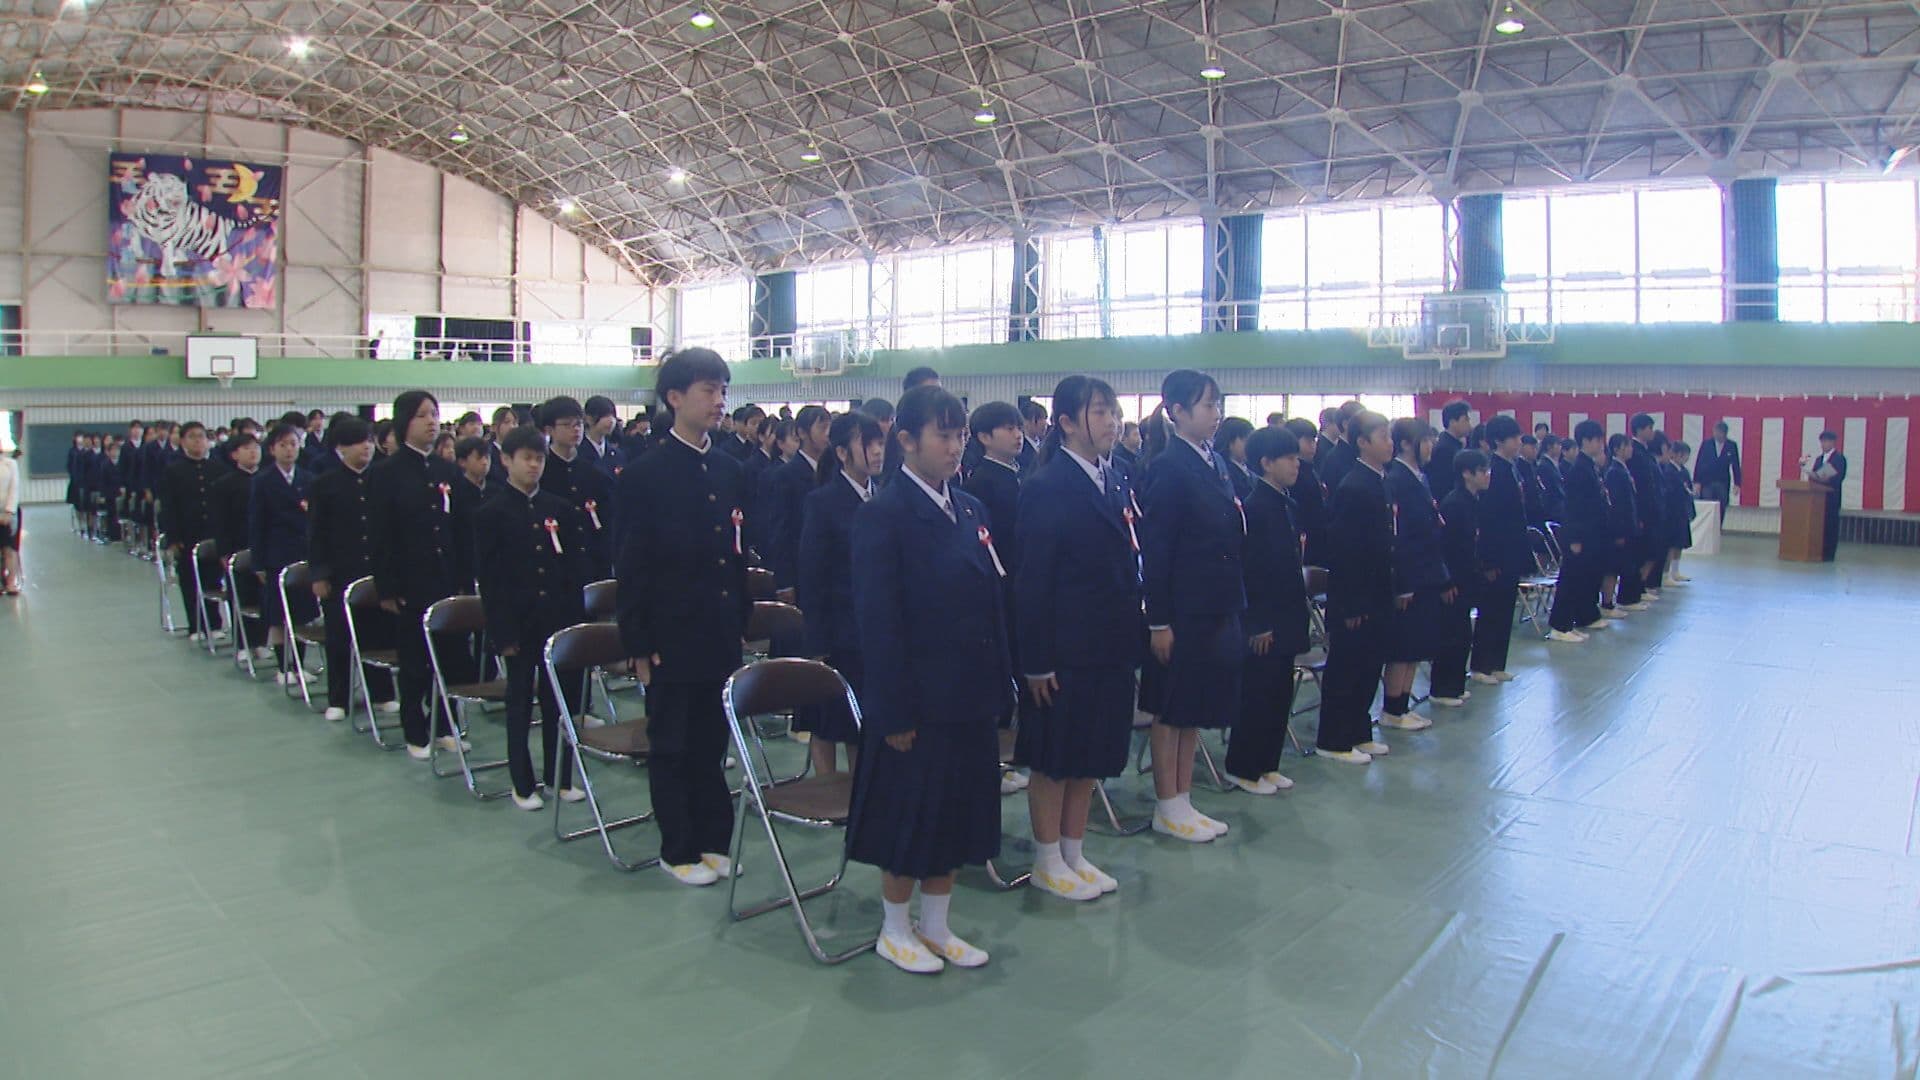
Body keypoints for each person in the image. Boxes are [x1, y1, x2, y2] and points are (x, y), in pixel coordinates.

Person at [849, 384, 1010, 972]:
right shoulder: (883, 516)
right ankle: (895, 927)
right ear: (907, 439)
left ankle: (937, 925)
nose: (954, 445)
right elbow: (879, 624)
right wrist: (892, 713)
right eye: (943, 434)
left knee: (957, 813)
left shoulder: (970, 509)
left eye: (961, 433)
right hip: (917, 700)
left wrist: (1001, 686)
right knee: (909, 816)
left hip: (969, 695)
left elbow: (993, 602)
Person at [615, 348, 749, 886]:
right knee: (672, 740)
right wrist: (638, 639)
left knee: (712, 739)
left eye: (722, 389)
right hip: (670, 631)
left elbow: (736, 550)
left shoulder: (730, 468)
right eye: (706, 390)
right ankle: (678, 846)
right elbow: (631, 563)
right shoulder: (644, 474)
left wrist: (740, 617)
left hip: (718, 629)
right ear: (673, 398)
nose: (719, 400)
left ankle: (714, 836)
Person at [1013, 375, 1142, 899]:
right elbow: (1032, 579)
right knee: (1056, 757)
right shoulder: (1046, 487)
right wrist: (1037, 661)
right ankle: (1046, 859)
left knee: (1090, 753)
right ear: (1066, 422)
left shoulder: (1116, 479)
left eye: (1113, 411)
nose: (1111, 421)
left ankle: (1074, 850)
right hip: (1065, 648)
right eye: (1099, 411)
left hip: (1109, 643)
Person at [1138, 369, 1243, 840]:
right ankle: (1167, 802)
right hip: (1180, 609)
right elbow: (1157, 551)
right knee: (1170, 709)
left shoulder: (1213, 461)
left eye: (1217, 405)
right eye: (1206, 405)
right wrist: (1159, 620)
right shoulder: (1167, 467)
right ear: (1177, 412)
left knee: (1193, 706)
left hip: (1213, 602)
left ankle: (1183, 798)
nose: (1215, 414)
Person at [474, 425, 592, 810]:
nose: (533, 465)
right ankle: (522, 782)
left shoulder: (559, 509)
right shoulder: (491, 513)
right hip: (518, 624)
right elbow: (491, 582)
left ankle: (560, 777)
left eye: (539, 458)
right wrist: (501, 631)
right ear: (505, 460)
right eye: (525, 458)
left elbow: (574, 570)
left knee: (561, 703)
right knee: (520, 703)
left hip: (557, 622)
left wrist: (576, 626)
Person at [368, 390, 467, 760]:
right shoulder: (386, 473)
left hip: (445, 579)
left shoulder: (446, 470)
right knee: (414, 661)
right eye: (423, 415)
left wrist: (462, 576)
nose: (432, 421)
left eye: (435, 413)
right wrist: (388, 586)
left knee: (450, 656)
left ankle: (445, 724)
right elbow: (380, 534)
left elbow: (456, 527)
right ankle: (415, 728)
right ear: (404, 422)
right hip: (410, 581)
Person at [797, 412, 885, 778]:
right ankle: (828, 787)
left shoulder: (885, 497)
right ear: (843, 453)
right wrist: (817, 641)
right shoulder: (824, 501)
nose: (879, 451)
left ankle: (861, 791)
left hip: (875, 628)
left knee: (863, 721)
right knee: (829, 717)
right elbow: (812, 575)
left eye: (881, 442)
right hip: (840, 629)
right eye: (868, 444)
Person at [1224, 424, 1310, 793]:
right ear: (1265, 463)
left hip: (1288, 612)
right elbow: (1251, 570)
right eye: (1288, 458)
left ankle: (1268, 763)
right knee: (1257, 694)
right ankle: (1244, 766)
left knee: (1279, 693)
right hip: (1264, 620)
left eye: (1296, 457)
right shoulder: (1254, 507)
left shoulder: (1285, 503)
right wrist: (1257, 623)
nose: (1297, 464)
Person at [1317, 410, 1395, 764]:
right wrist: (1350, 605)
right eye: (1381, 436)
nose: (1389, 443)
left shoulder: (1379, 480)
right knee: (1346, 670)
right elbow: (1346, 552)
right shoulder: (1354, 486)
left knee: (1368, 667)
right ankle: (1334, 740)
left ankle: (1359, 731)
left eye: (1390, 436)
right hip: (1354, 596)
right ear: (1362, 443)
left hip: (1377, 591)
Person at [306, 417, 396, 721]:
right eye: (359, 442)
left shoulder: (383, 479)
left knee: (379, 633)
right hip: (341, 571)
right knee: (339, 637)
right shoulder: (325, 484)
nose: (367, 447)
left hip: (377, 569)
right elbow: (317, 533)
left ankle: (382, 693)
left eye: (370, 441)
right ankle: (339, 698)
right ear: (341, 448)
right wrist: (319, 573)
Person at [1380, 418, 1452, 730]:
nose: (1431, 446)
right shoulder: (1397, 479)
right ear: (1407, 444)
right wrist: (1404, 585)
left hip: (1427, 571)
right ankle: (1392, 707)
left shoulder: (1419, 477)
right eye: (1426, 440)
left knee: (1417, 644)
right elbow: (1401, 537)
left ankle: (1403, 703)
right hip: (1411, 575)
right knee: (1403, 645)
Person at [250, 423, 315, 684]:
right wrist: (259, 562)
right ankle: (283, 667)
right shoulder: (263, 481)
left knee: (301, 613)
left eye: (293, 444)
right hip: (276, 553)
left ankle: (299, 665)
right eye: (283, 445)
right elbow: (256, 523)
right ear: (272, 449)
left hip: (304, 553)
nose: (289, 450)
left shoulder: (308, 479)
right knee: (278, 614)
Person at [1473, 416, 1534, 675]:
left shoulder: (1512, 467)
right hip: (1497, 554)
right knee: (1491, 611)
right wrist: (1489, 561)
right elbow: (1489, 520)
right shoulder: (1494, 471)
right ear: (1499, 441)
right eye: (1514, 438)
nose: (1519, 442)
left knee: (1506, 607)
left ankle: (1498, 664)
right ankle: (1482, 666)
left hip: (1512, 550)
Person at [160, 422, 228, 641]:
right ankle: (196, 625)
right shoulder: (173, 470)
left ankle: (215, 623)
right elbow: (168, 506)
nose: (198, 441)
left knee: (213, 579)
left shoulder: (218, 468)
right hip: (187, 534)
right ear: (183, 442)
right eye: (192, 437)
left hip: (213, 533)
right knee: (190, 581)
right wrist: (173, 538)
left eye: (201, 436)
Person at [1432, 451, 1489, 707]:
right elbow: (1445, 547)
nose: (1487, 475)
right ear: (1467, 473)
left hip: (1467, 576)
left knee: (1463, 632)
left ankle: (1455, 684)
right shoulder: (1454, 504)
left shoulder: (1473, 501)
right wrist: (1447, 582)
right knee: (1451, 634)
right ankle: (1443, 688)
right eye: (1482, 470)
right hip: (1453, 579)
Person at [538, 396, 617, 579]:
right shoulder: (542, 473)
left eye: (579, 424)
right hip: (554, 566)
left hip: (591, 564)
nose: (576, 429)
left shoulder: (594, 474)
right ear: (550, 430)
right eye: (567, 425)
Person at [1549, 420, 1611, 639]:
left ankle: (1585, 615)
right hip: (1579, 534)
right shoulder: (1579, 470)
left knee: (1587, 576)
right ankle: (1560, 625)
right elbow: (1573, 507)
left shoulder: (1590, 466)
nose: (1601, 444)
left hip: (1593, 532)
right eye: (1597, 440)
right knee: (1571, 578)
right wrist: (1574, 537)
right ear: (1586, 441)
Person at [763, 405, 831, 600]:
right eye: (821, 428)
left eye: (829, 427)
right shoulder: (786, 475)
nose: (827, 434)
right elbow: (780, 530)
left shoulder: (832, 471)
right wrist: (784, 582)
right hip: (801, 568)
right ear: (802, 432)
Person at [210, 432, 266, 660]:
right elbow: (220, 521)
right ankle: (243, 643)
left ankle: (261, 641)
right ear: (235, 454)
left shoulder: (267, 479)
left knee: (263, 598)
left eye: (256, 447)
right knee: (241, 595)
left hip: (264, 546)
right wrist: (224, 551)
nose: (253, 452)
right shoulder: (224, 484)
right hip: (237, 547)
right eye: (246, 448)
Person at [1626, 414, 1666, 601]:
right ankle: (1636, 589)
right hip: (1643, 510)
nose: (1652, 431)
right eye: (1649, 427)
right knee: (1642, 552)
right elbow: (1638, 486)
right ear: (1640, 429)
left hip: (1653, 509)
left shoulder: (1647, 452)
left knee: (1653, 550)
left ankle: (1642, 586)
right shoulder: (1634, 453)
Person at [1604, 434, 1646, 613]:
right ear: (1617, 449)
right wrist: (1619, 531)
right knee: (1614, 566)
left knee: (1628, 564)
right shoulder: (1614, 471)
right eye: (1627, 446)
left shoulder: (1624, 469)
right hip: (1620, 527)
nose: (1630, 449)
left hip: (1630, 525)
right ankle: (1607, 603)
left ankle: (1628, 598)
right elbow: (1617, 504)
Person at [1284, 418, 1329, 567]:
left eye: (1314, 441)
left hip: (1317, 535)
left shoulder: (1311, 469)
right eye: (1308, 441)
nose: (1313, 446)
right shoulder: (1294, 474)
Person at [1693, 420, 1741, 523]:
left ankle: (1717, 529)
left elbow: (1736, 465)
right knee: (1706, 507)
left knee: (1721, 507)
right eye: (1715, 431)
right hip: (1707, 482)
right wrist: (1697, 481)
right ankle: (1706, 529)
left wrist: (1737, 483)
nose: (1716, 434)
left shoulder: (1731, 445)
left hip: (1722, 482)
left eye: (1719, 432)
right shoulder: (1706, 444)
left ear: (1724, 433)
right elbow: (1699, 462)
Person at [1810, 430, 1847, 561]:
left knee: (1831, 526)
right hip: (1818, 499)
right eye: (1822, 441)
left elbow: (1838, 478)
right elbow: (1814, 476)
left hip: (1832, 498)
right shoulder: (1819, 459)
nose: (1824, 444)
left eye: (1826, 441)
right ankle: (1817, 551)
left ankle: (1829, 553)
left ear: (1832, 442)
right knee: (1818, 525)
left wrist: (1824, 478)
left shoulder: (1839, 458)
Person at [1663, 440, 1697, 586]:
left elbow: (1688, 488)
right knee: (1671, 543)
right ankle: (1665, 574)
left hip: (1682, 511)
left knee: (1680, 543)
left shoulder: (1684, 471)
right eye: (1683, 455)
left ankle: (1675, 571)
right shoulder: (1668, 470)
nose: (1685, 459)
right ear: (1675, 454)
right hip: (1672, 512)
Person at [1427, 400, 1472, 500]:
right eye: (1466, 420)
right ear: (1452, 422)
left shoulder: (1454, 445)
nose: (1470, 425)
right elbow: (1444, 486)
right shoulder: (1444, 449)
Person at [581, 395, 624, 479]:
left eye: (613, 416)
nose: (611, 421)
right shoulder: (577, 452)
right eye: (605, 415)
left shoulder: (617, 454)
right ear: (589, 419)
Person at [1216, 417, 1256, 500]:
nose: (1251, 447)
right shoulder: (1224, 471)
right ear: (1230, 442)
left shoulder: (1251, 469)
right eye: (1246, 441)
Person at [0, 444, 21, 595]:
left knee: (9, 549)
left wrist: (8, 511)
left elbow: (14, 488)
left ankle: (11, 581)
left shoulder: (10, 464)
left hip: (8, 513)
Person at [1016, 400, 1048, 472]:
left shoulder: (1046, 446)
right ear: (1025, 422)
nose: (1044, 423)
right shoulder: (1020, 449)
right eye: (1038, 419)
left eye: (1045, 418)